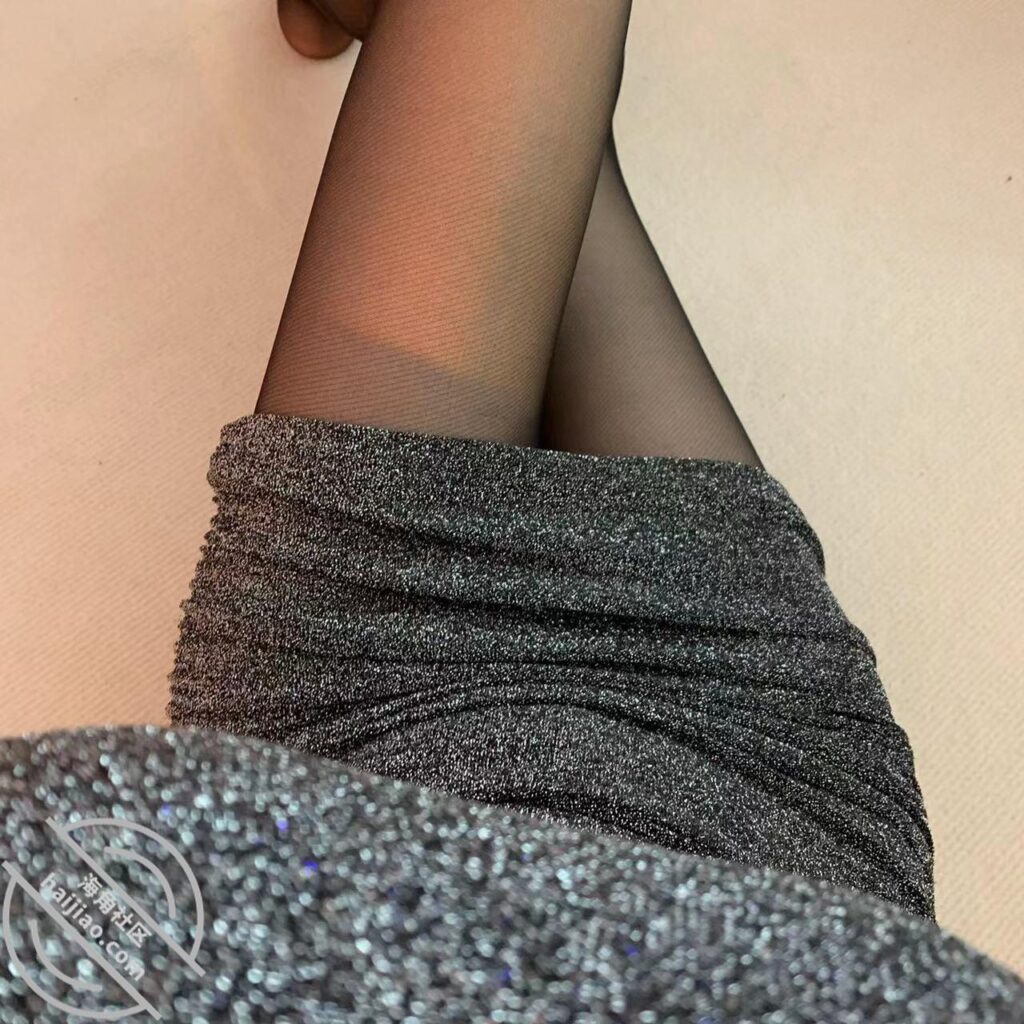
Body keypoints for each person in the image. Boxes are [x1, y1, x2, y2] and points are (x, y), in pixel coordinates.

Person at [2, 2, 1021, 1020]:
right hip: (756, 808)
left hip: (361, 735)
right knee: (531, 104)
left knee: (522, 126)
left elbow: (53, 850)